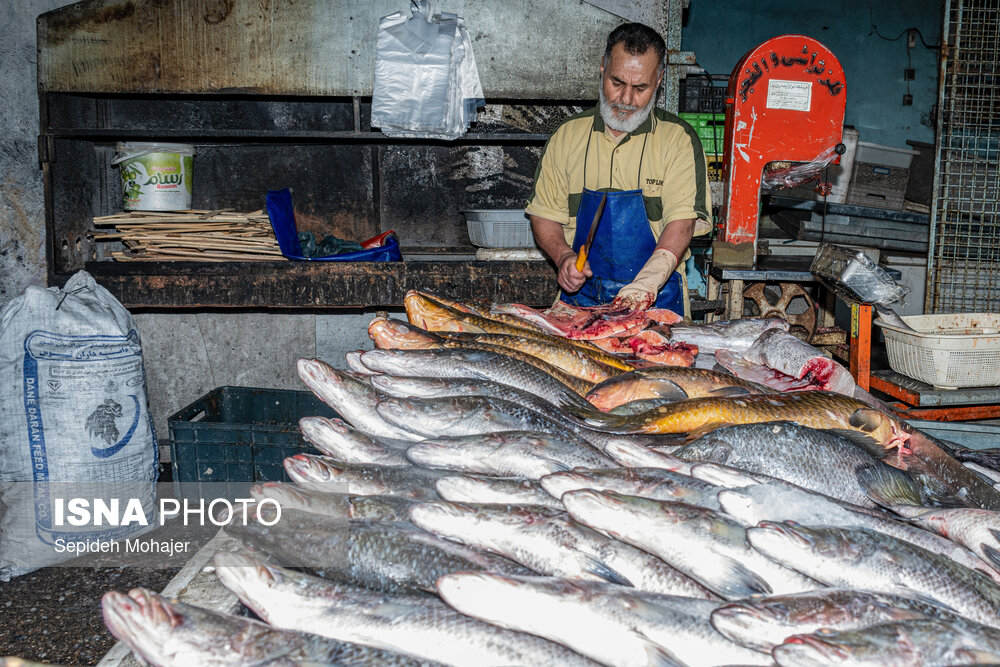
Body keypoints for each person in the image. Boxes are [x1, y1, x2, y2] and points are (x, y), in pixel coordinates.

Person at [525, 22, 712, 317]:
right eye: (617, 83)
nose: (626, 99)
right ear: (603, 67)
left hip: (657, 301)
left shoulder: (678, 140)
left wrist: (645, 285)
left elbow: (682, 224)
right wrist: (563, 256)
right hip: (579, 303)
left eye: (640, 88)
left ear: (659, 79)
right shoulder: (566, 137)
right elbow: (544, 214)